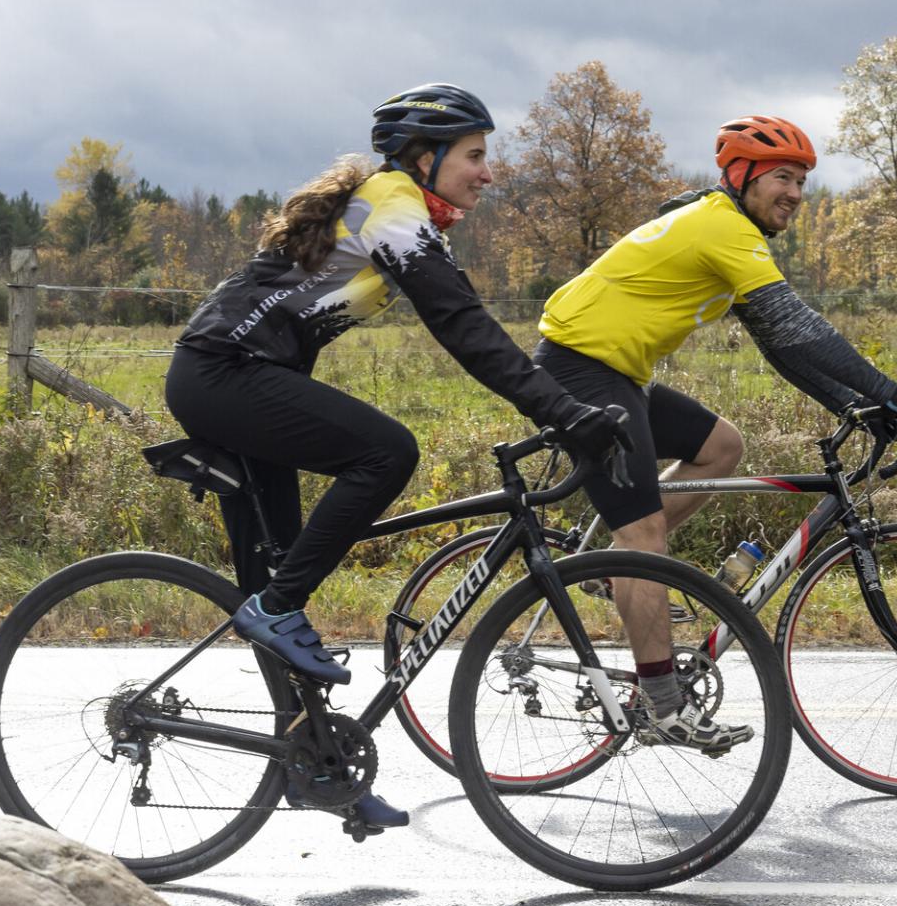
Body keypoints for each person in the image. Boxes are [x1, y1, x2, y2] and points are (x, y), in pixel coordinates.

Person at [166, 83, 630, 830]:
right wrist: (565, 411)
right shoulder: (393, 204)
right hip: (223, 377)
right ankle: (277, 611)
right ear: (427, 156)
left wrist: (558, 407)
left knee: (278, 572)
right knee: (386, 452)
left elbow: (459, 321)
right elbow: (464, 327)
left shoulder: (395, 211)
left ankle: (318, 766)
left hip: (234, 380)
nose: (487, 172)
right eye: (476, 156)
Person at [534, 114, 897, 752]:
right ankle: (662, 704)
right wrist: (888, 392)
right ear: (742, 176)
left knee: (721, 447)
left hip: (616, 373)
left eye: (803, 181)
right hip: (582, 372)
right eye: (783, 176)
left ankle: (618, 572)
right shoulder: (722, 226)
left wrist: (854, 406)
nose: (795, 193)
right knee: (644, 537)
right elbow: (795, 323)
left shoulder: (729, 229)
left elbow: (778, 345)